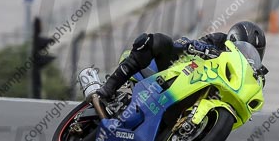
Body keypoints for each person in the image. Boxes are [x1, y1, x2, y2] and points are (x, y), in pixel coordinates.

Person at [97, 21, 266, 99]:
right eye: (244, 50)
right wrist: (195, 45)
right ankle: (110, 86)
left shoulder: (253, 74)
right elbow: (187, 43)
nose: (247, 56)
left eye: (252, 54)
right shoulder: (218, 40)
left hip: (201, 95)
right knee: (160, 41)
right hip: (181, 74)